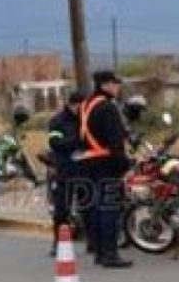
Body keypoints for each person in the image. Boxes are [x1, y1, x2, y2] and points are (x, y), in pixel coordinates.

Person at [76, 71, 132, 269]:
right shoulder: (107, 108)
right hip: (106, 164)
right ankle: (110, 254)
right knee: (109, 210)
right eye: (115, 84)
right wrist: (124, 163)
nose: (118, 88)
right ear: (105, 85)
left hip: (88, 163)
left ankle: (99, 251)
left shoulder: (85, 105)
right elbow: (115, 140)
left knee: (96, 209)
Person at [47, 91, 85, 256]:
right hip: (65, 171)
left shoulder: (85, 120)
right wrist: (78, 140)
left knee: (89, 208)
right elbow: (55, 143)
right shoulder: (57, 121)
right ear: (71, 104)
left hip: (85, 170)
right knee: (62, 210)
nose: (81, 109)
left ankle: (93, 242)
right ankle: (58, 243)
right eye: (79, 106)